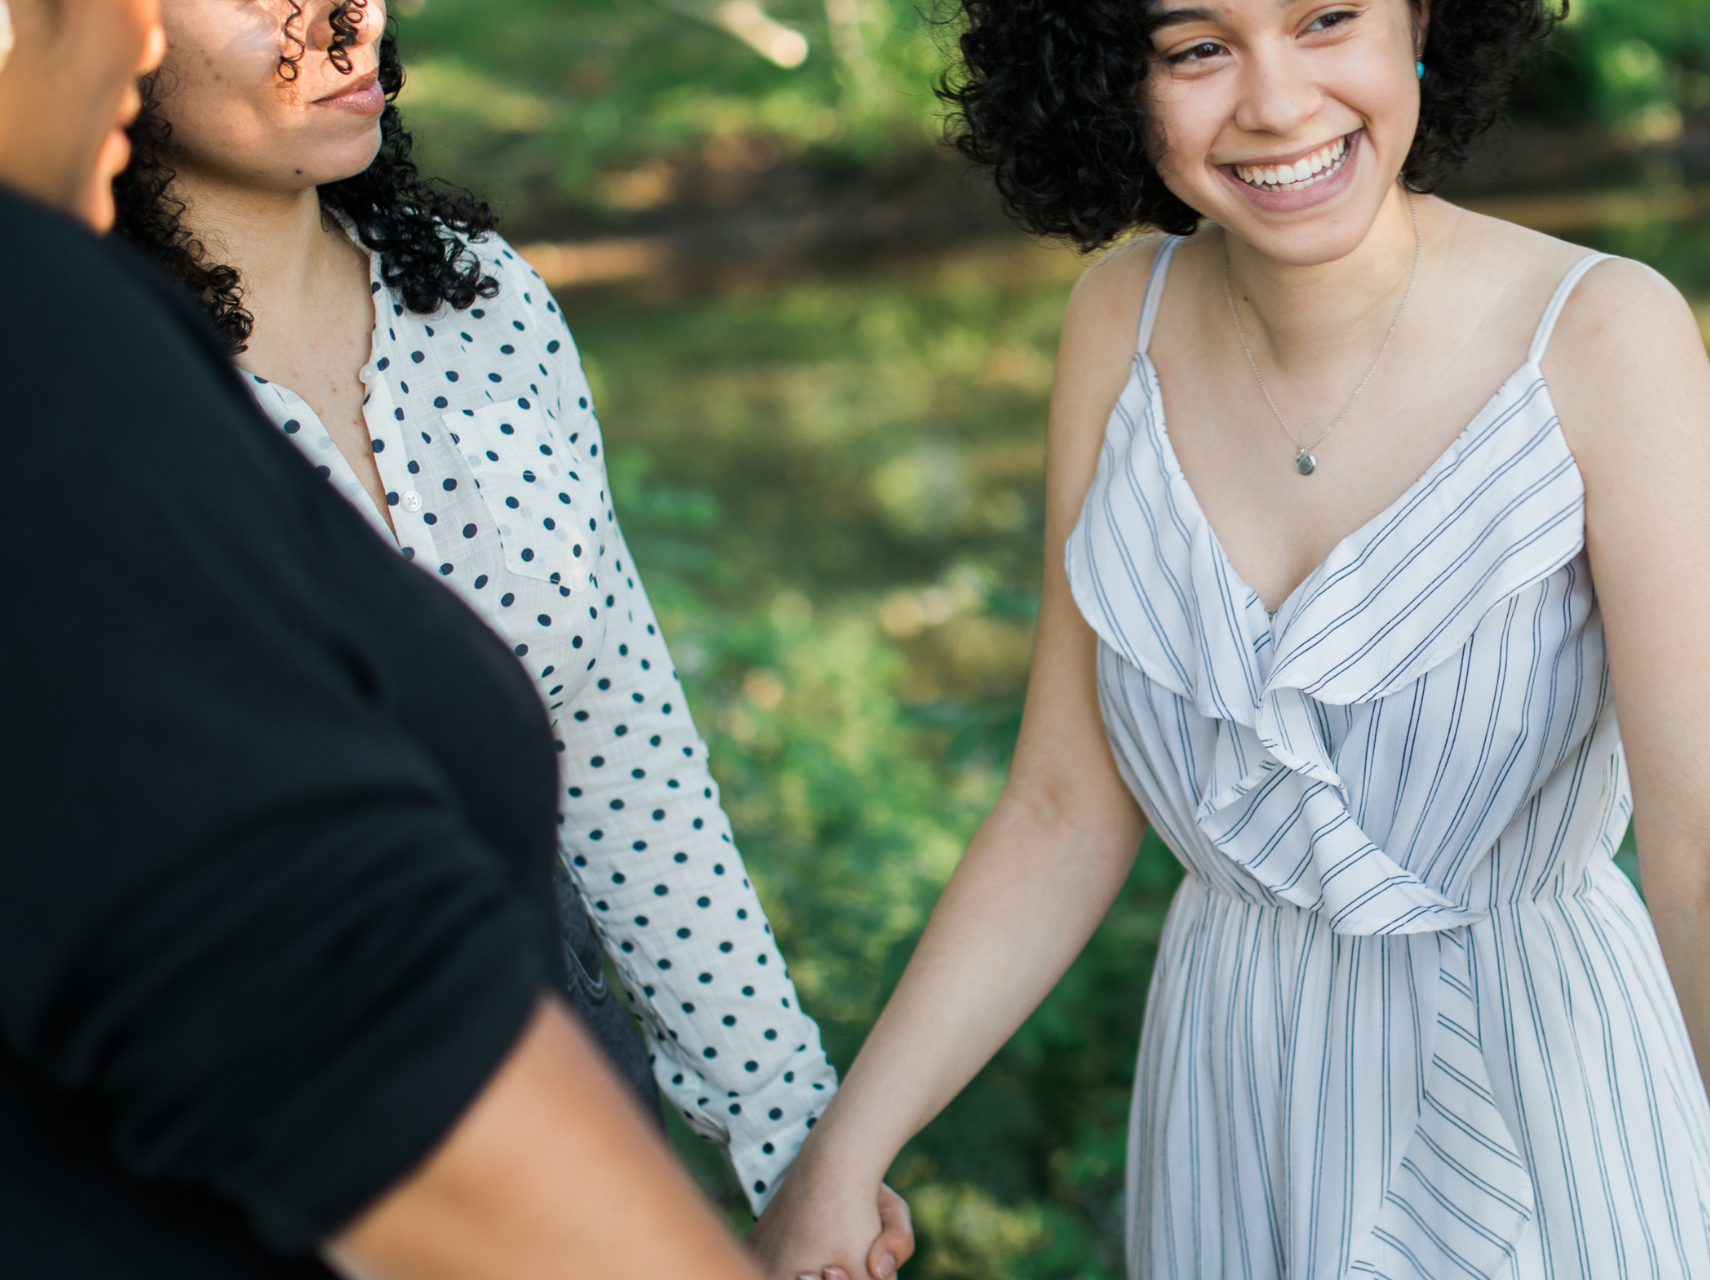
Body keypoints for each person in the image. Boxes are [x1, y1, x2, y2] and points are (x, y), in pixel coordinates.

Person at [750, 0, 1710, 1276]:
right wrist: (840, 1157)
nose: (1274, 103)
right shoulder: (1118, 321)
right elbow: (1058, 809)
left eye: (1327, 19)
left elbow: (1697, 846)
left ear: (1422, 20)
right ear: (1110, 77)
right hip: (1228, 1097)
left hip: (1543, 1080)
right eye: (1195, 46)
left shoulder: (1602, 332)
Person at [108, 6, 914, 1248]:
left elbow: (624, 753)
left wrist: (793, 1133)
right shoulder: (86, 387)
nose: (341, 21)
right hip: (253, 1148)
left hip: (567, 1075)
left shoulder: (481, 300)